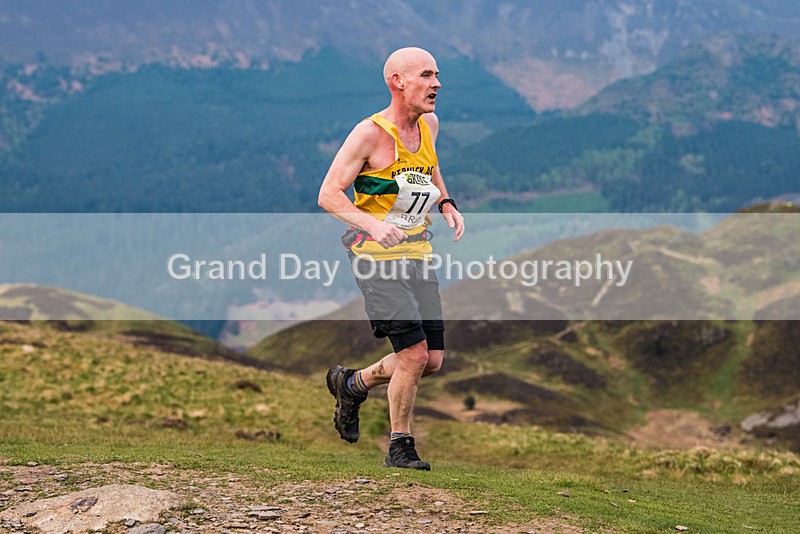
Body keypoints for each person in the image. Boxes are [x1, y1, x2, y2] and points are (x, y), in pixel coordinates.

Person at [317, 47, 465, 470]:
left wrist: (447, 203)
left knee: (430, 361)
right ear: (398, 81)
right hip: (376, 260)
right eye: (426, 75)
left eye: (437, 75)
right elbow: (328, 194)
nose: (436, 83)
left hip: (418, 254)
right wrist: (371, 225)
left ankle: (352, 383)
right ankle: (400, 446)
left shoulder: (429, 124)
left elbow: (430, 168)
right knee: (414, 356)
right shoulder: (368, 134)